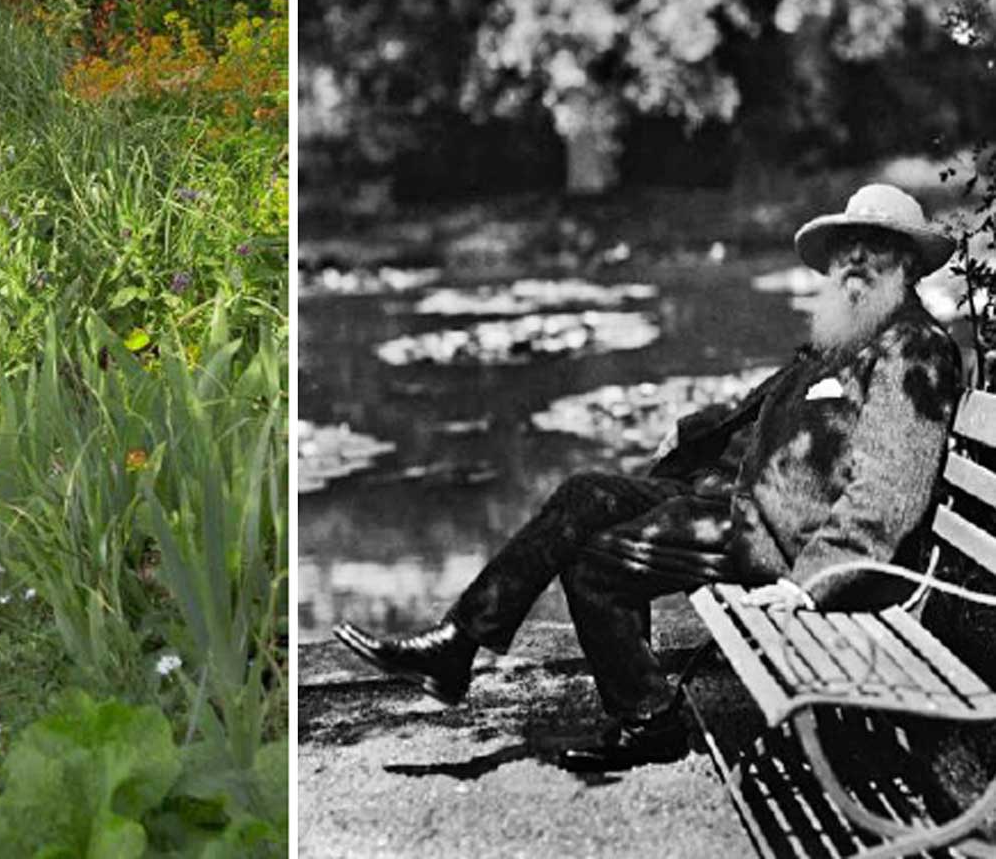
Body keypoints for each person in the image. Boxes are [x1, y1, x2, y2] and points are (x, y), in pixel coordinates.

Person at [333, 183, 963, 772]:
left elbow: (890, 489)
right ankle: (457, 643)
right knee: (585, 492)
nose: (855, 258)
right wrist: (691, 432)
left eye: (874, 245)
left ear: (907, 262)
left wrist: (811, 583)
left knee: (596, 563)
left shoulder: (914, 351)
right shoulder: (848, 337)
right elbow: (764, 403)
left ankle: (649, 722)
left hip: (783, 543)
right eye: (845, 246)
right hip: (741, 504)